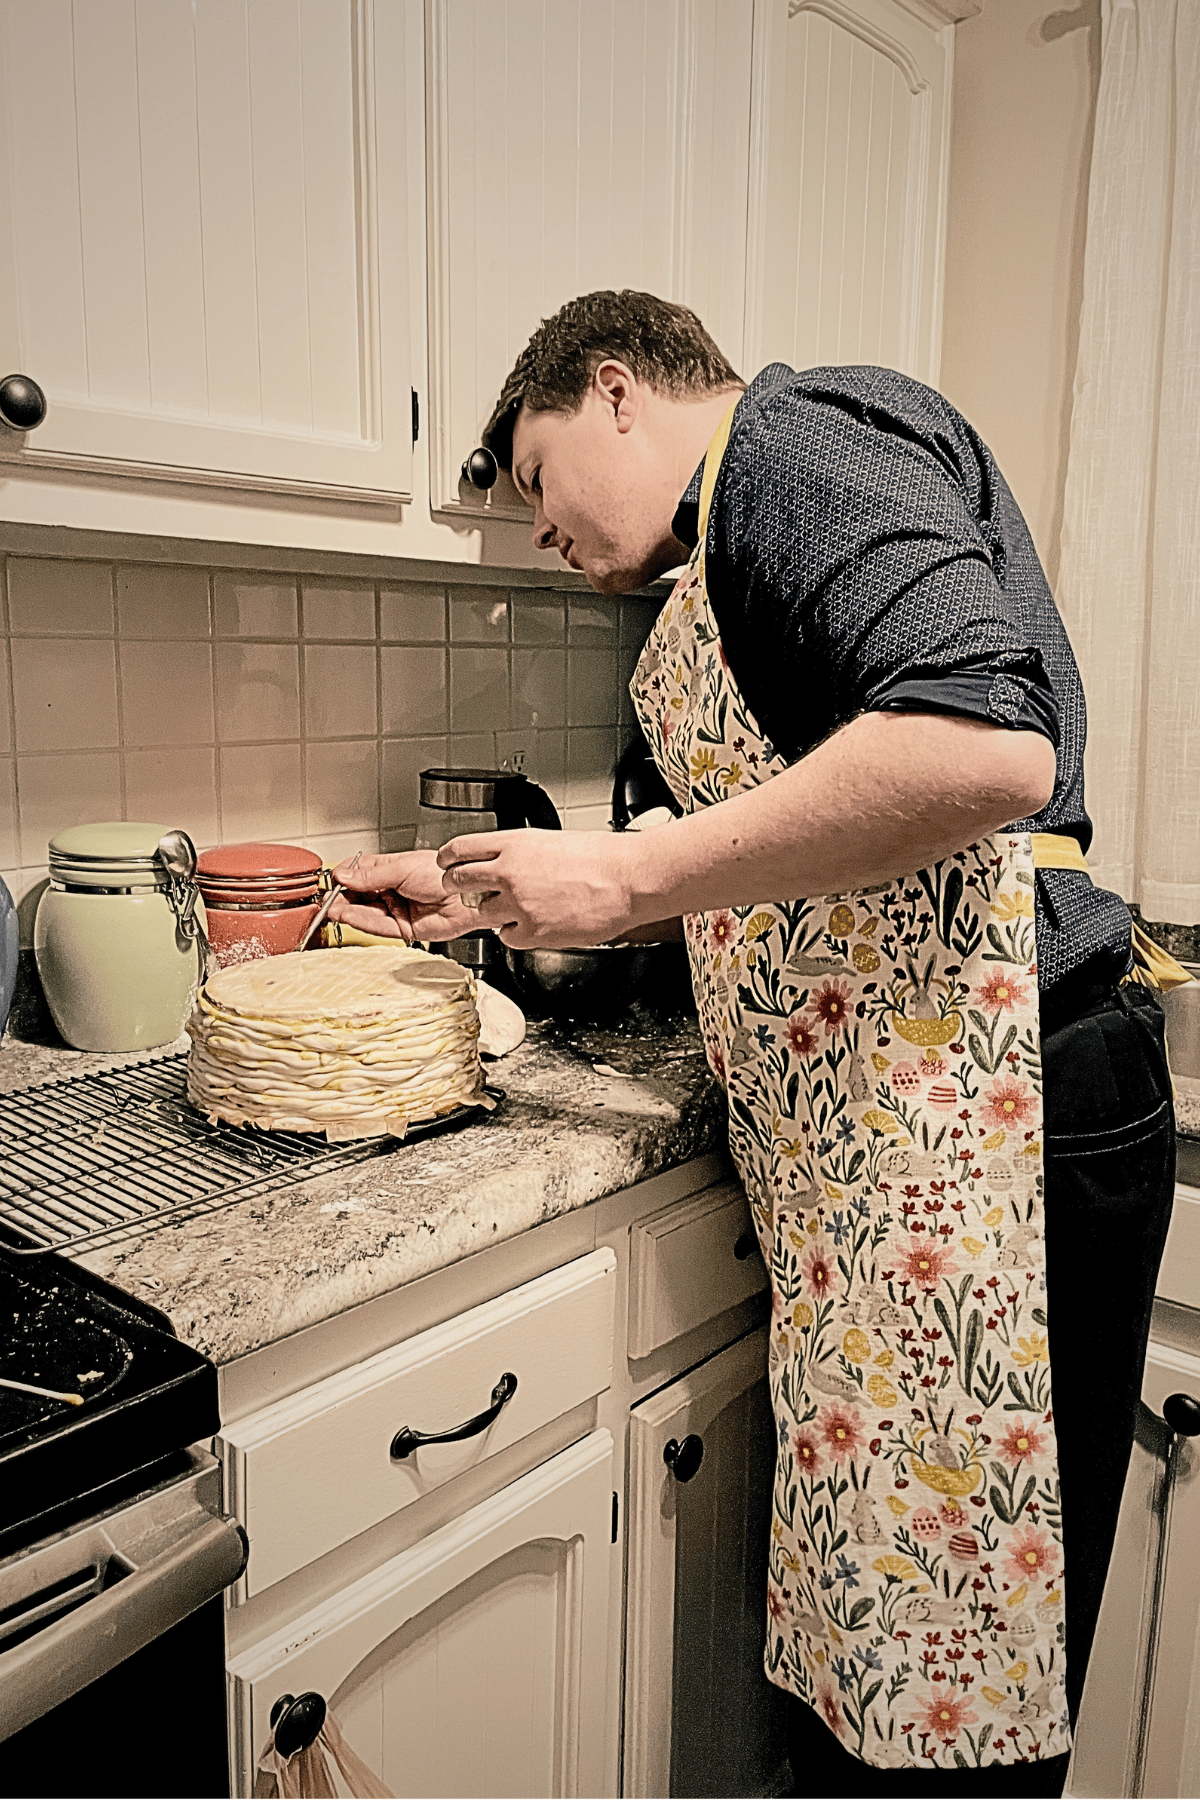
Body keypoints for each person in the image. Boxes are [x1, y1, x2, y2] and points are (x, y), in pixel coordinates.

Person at [330, 291, 1178, 1795]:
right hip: (897, 1145)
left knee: (962, 1658)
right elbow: (776, 864)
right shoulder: (718, 565)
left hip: (1005, 1109)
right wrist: (486, 899)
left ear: (614, 392)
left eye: (535, 480)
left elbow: (989, 744)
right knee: (890, 1656)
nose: (541, 534)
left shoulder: (795, 443)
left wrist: (626, 876)